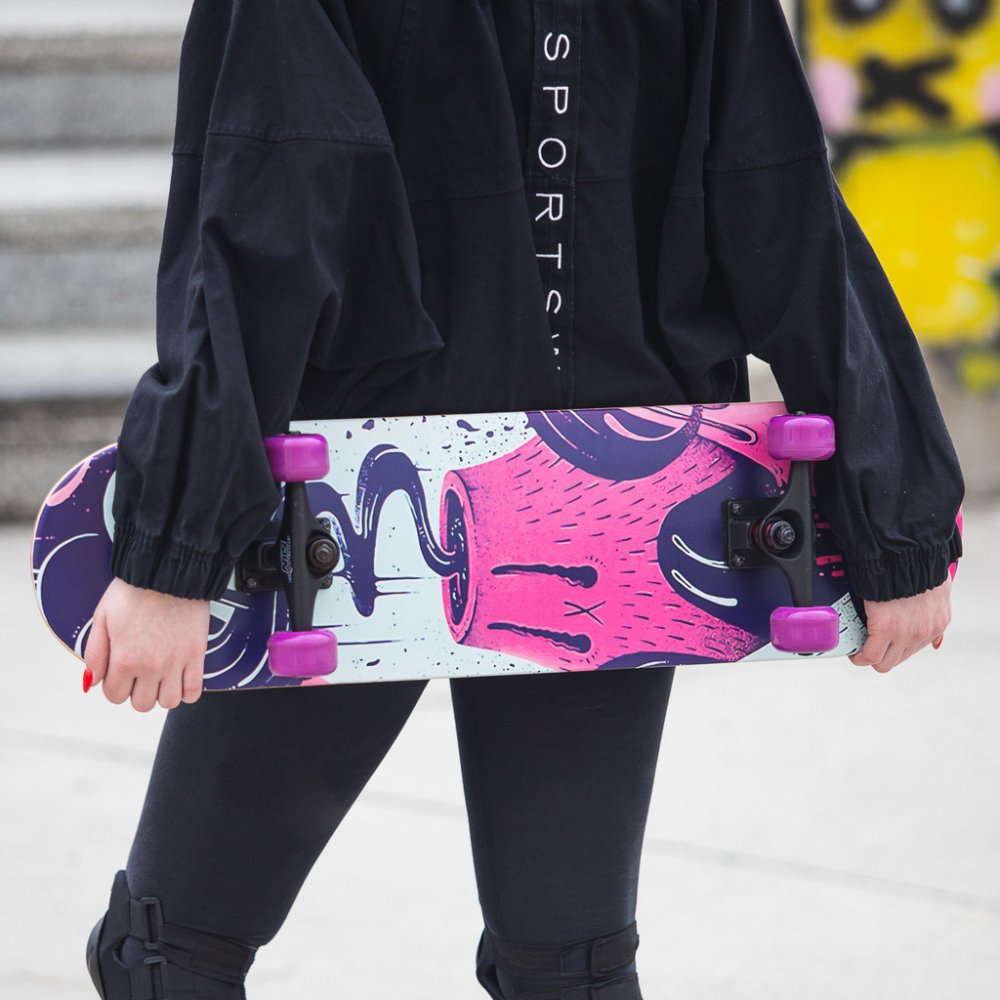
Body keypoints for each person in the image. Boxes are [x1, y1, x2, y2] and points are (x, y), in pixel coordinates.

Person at [82, 2, 962, 998]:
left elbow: (261, 216)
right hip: (555, 490)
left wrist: (173, 552)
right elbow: (780, 203)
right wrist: (897, 513)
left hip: (387, 506)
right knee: (558, 972)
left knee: (179, 955)